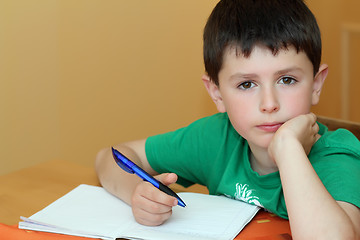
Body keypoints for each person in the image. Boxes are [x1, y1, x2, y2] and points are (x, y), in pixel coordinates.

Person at [95, 0, 360, 239]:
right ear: (216, 93)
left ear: (316, 84)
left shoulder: (336, 155)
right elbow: (110, 156)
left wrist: (288, 149)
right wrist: (136, 194)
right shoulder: (217, 138)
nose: (269, 104)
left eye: (287, 80)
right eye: (247, 84)